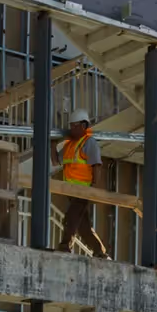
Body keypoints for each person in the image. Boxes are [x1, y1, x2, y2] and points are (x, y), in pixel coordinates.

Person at [52, 108, 110, 258]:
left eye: (74, 126)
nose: (71, 129)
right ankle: (100, 252)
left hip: (83, 190)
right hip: (71, 191)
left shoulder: (89, 143)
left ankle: (65, 247)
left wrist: (93, 188)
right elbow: (55, 161)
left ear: (83, 126)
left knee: (70, 218)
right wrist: (52, 145)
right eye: (71, 125)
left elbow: (96, 165)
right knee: (84, 227)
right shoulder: (70, 145)